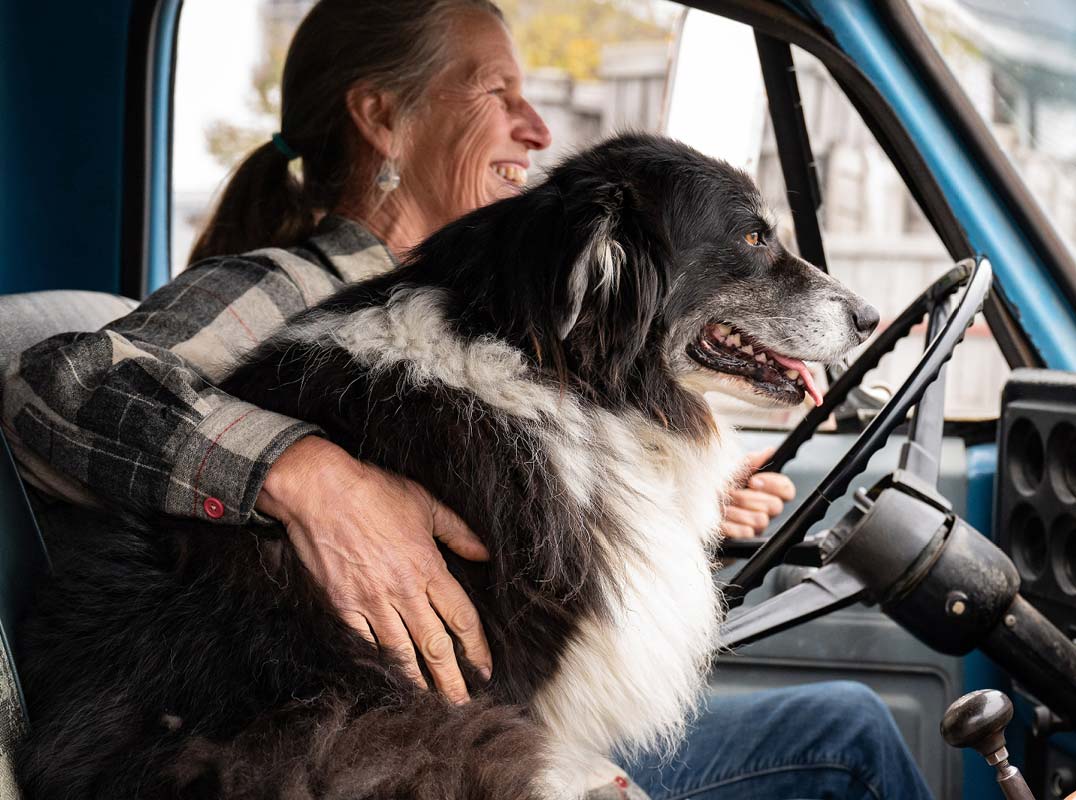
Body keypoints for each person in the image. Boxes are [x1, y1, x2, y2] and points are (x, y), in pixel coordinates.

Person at [0, 1, 933, 797]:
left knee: (845, 721)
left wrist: (687, 509)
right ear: (383, 118)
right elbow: (55, 382)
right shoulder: (290, 288)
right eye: (498, 93)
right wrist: (310, 478)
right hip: (282, 732)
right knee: (845, 744)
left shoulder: (497, 309)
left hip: (456, 723)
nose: (536, 127)